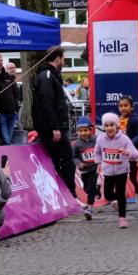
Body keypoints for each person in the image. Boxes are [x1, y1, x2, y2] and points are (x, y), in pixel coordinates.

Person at [31, 47, 76, 197]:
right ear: (57, 58)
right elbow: (47, 103)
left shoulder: (53, 75)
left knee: (62, 159)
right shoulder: (47, 76)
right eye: (63, 59)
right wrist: (55, 127)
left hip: (55, 125)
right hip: (51, 127)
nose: (64, 62)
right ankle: (69, 194)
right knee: (65, 158)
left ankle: (66, 193)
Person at [94, 112, 138, 228]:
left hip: (122, 171)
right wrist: (98, 163)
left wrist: (127, 152)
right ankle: (118, 200)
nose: (109, 128)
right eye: (106, 125)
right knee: (108, 194)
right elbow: (97, 152)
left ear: (117, 126)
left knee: (120, 193)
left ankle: (122, 218)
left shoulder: (124, 139)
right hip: (108, 171)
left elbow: (135, 154)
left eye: (112, 125)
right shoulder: (100, 138)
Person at [118, 95, 138, 203]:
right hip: (120, 153)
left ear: (132, 107)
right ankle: (121, 195)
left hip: (132, 152)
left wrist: (129, 144)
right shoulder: (117, 120)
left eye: (126, 105)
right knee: (120, 175)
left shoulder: (135, 120)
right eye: (121, 106)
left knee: (132, 176)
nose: (123, 108)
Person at [71, 116, 98, 219]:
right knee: (86, 188)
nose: (83, 133)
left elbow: (101, 149)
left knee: (90, 188)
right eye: (80, 131)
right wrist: (79, 164)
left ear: (90, 130)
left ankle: (89, 208)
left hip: (94, 168)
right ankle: (97, 190)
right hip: (84, 170)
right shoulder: (77, 144)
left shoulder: (96, 140)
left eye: (85, 130)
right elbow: (74, 157)